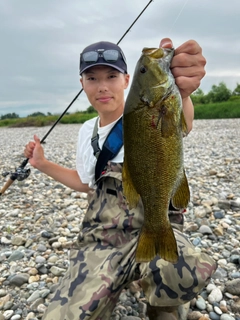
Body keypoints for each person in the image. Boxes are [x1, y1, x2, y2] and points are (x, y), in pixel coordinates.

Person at [24, 38, 216, 320]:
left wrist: (183, 91)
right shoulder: (86, 131)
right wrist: (41, 163)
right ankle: (121, 277)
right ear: (82, 83)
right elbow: (85, 181)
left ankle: (162, 304)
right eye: (92, 78)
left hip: (153, 221)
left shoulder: (159, 108)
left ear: (127, 80)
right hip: (103, 239)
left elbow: (183, 120)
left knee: (181, 268)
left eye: (112, 76)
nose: (102, 86)